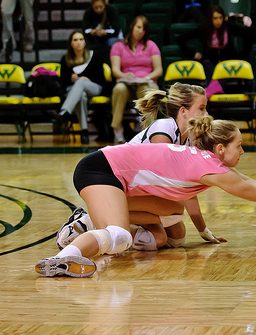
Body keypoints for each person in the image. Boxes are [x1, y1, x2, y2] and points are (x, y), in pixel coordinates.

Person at [34, 115, 256, 278]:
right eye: (239, 145)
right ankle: (62, 259)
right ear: (220, 150)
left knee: (174, 219)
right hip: (100, 170)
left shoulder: (208, 162)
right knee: (119, 235)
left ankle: (86, 220)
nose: (243, 151)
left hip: (116, 177)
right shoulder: (208, 167)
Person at [56, 83, 226, 250]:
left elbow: (187, 189)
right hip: (115, 182)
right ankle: (90, 221)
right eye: (202, 108)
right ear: (183, 111)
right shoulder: (164, 129)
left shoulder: (188, 140)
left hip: (139, 190)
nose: (206, 113)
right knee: (175, 210)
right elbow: (178, 188)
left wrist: (204, 231)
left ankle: (105, 224)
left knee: (173, 239)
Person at [110, 15, 163, 143]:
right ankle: (117, 128)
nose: (141, 31)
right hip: (127, 82)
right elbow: (115, 70)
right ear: (132, 26)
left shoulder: (151, 45)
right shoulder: (118, 46)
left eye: (144, 29)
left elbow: (159, 70)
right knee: (119, 88)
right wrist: (124, 76)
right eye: (138, 27)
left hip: (145, 82)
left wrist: (146, 77)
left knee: (145, 90)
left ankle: (147, 129)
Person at [58, 30, 110, 144]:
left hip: (94, 87)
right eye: (75, 40)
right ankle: (84, 132)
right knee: (81, 95)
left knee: (81, 83)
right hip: (73, 91)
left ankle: (65, 111)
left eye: (81, 39)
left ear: (85, 42)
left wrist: (87, 79)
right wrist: (70, 79)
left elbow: (101, 78)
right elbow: (63, 81)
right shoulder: (65, 59)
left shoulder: (94, 56)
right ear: (71, 43)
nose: (78, 42)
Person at [176, 5, 253, 81]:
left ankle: (212, 90)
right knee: (212, 72)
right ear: (210, 19)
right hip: (209, 61)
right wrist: (192, 54)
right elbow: (181, 39)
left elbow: (248, 35)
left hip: (227, 61)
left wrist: (242, 55)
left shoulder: (229, 26)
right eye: (215, 18)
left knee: (222, 71)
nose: (218, 21)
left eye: (220, 18)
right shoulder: (203, 29)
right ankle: (215, 89)